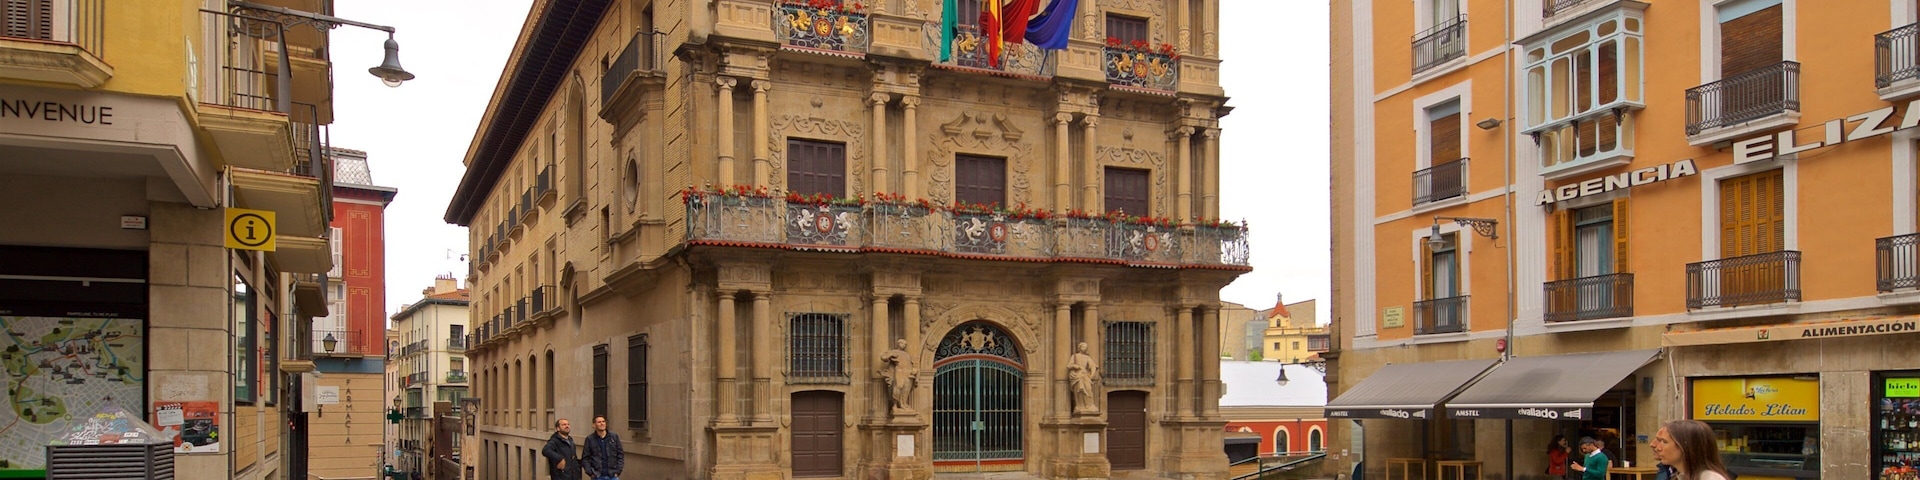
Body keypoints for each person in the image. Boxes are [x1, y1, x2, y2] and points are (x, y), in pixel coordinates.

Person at [1651, 419, 1732, 480]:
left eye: (1665, 442)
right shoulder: (1680, 475)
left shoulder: (1710, 478)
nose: (1658, 448)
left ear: (1685, 445)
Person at [878, 339, 917, 414]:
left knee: (906, 389)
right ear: (898, 344)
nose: (903, 345)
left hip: (907, 373)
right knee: (898, 387)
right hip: (899, 372)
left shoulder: (907, 354)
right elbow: (883, 357)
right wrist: (890, 354)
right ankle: (895, 405)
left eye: (905, 344)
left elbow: (911, 363)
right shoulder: (894, 352)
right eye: (902, 343)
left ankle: (903, 404)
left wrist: (914, 370)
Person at [582, 415, 625, 480]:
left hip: (612, 475)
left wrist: (618, 470)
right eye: (599, 422)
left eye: (603, 421)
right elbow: (585, 458)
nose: (602, 423)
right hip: (597, 476)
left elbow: (620, 454)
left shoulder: (614, 437)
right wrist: (591, 472)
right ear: (594, 425)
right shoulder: (590, 439)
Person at [1067, 342, 1101, 414]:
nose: (1085, 348)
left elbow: (1093, 366)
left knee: (1088, 389)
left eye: (1086, 347)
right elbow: (1069, 365)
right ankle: (1080, 405)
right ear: (1079, 348)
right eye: (1083, 347)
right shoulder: (1075, 356)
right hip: (1077, 375)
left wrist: (1092, 374)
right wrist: (1074, 366)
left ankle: (1089, 405)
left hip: (1085, 375)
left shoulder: (1087, 357)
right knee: (1079, 391)